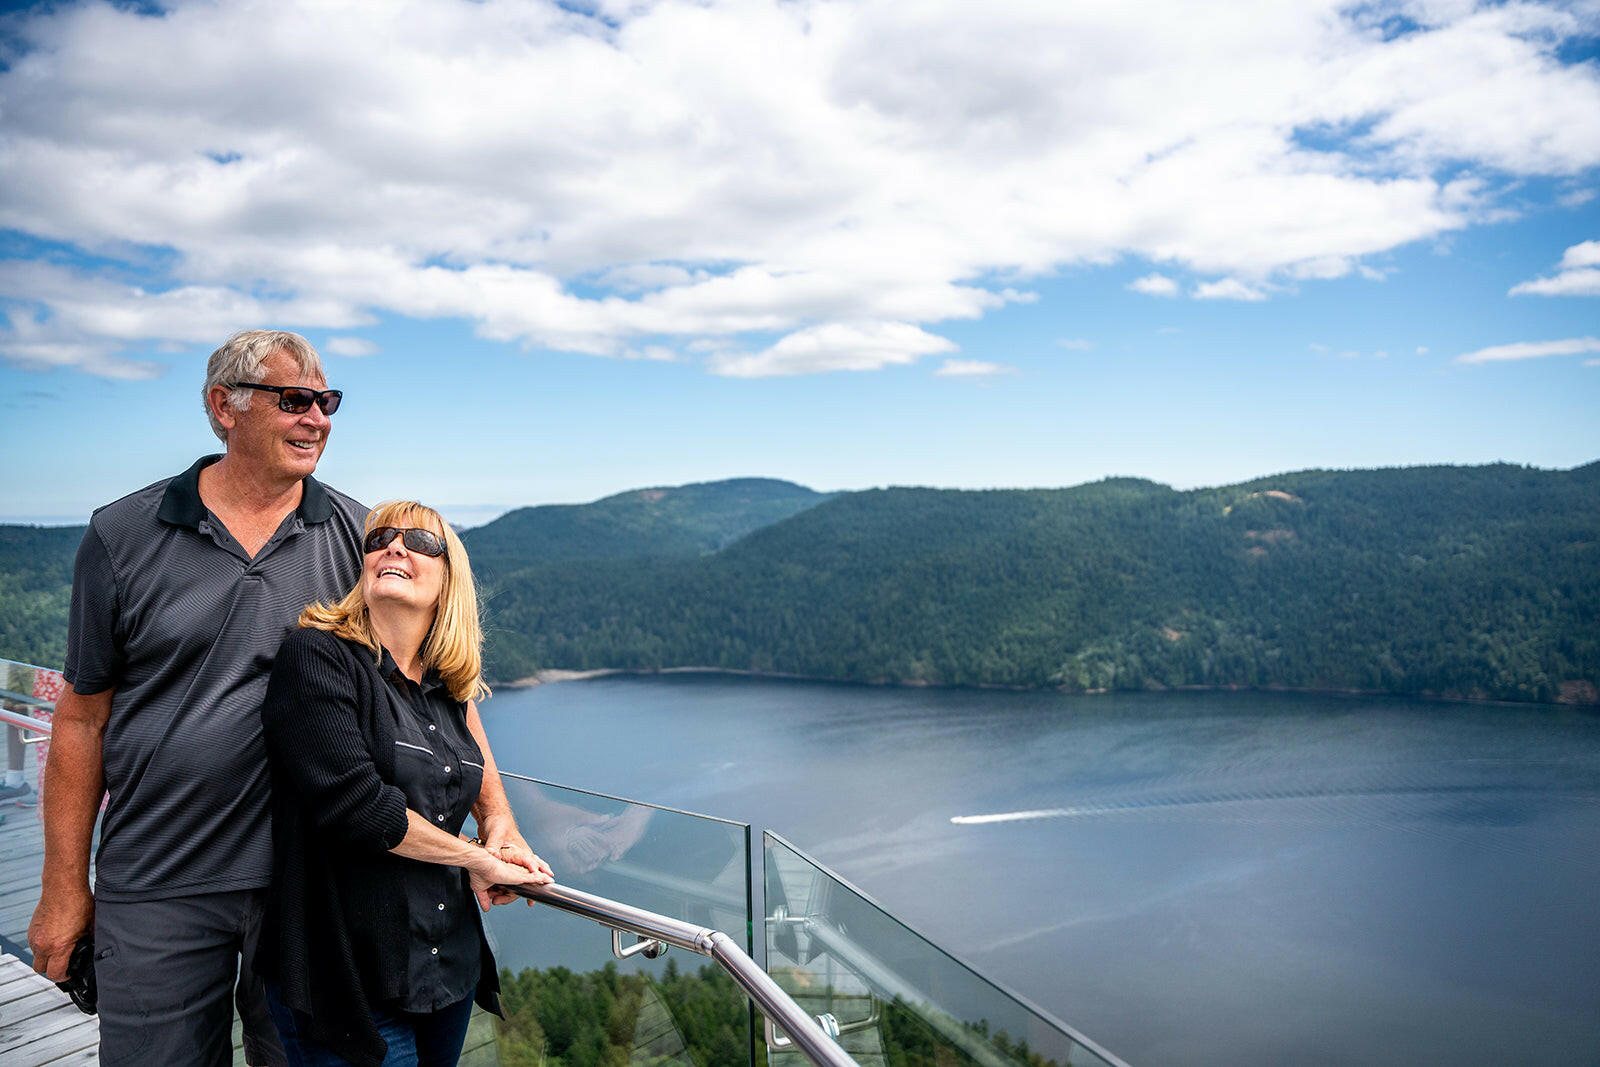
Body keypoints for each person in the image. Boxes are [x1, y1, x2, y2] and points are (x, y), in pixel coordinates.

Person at [28, 330, 366, 1067]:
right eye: (295, 400)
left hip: (309, 886)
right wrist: (62, 888)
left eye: (327, 401)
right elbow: (83, 718)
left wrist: (493, 820)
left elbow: (436, 684)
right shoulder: (122, 534)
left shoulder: (357, 534)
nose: (317, 419)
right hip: (158, 880)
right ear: (224, 407)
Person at [257, 500, 553, 1067]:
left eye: (420, 540)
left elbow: (476, 776)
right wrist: (478, 863)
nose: (394, 546)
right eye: (382, 537)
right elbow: (359, 808)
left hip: (447, 972)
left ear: (449, 578)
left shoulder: (446, 686)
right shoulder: (316, 657)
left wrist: (501, 828)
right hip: (347, 979)